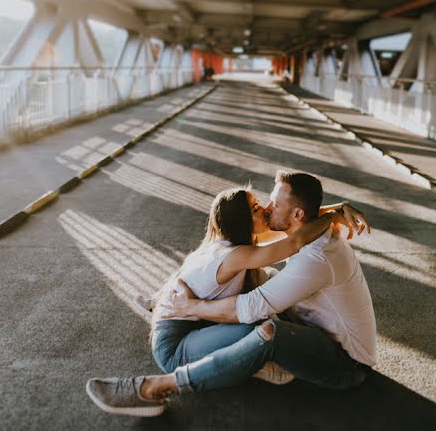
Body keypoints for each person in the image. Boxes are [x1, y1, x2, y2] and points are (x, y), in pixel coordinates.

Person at [86, 171, 376, 416]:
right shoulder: (274, 243)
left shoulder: (316, 256)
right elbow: (294, 234)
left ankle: (156, 387)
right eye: (262, 206)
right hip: (307, 331)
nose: (266, 208)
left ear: (298, 214)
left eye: (273, 204)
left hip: (344, 364)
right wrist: (333, 212)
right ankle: (249, 356)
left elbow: (251, 304)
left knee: (268, 330)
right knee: (265, 290)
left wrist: (192, 307)